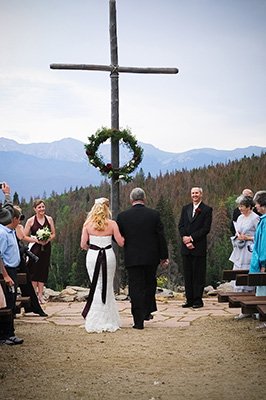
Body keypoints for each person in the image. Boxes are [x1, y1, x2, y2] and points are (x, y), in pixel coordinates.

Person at [117, 188, 169, 330]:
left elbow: (118, 238)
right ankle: (147, 312)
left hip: (132, 257)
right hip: (150, 257)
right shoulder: (154, 215)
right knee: (150, 284)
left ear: (131, 200)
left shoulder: (123, 216)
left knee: (135, 287)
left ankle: (138, 321)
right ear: (144, 199)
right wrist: (164, 256)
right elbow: (161, 237)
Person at [80, 197, 124, 333]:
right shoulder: (112, 224)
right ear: (107, 209)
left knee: (96, 285)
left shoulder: (87, 225)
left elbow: (83, 245)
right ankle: (108, 318)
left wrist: (92, 249)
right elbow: (121, 243)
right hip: (108, 255)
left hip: (93, 256)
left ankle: (95, 318)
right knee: (107, 285)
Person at [178, 186, 212, 309]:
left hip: (198, 247)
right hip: (186, 247)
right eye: (192, 193)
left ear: (201, 194)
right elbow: (181, 225)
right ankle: (189, 299)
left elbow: (205, 229)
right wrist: (186, 240)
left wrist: (192, 238)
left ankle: (198, 300)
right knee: (187, 274)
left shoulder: (207, 210)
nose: (194, 195)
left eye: (196, 193)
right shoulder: (185, 208)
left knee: (198, 274)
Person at [24, 199, 55, 304]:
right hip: (35, 248)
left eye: (43, 206)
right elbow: (24, 236)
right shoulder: (30, 221)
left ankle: (41, 296)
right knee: (33, 272)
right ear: (35, 209)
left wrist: (47, 239)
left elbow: (53, 234)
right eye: (39, 207)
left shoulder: (49, 219)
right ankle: (34, 297)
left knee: (43, 271)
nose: (42, 209)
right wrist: (36, 240)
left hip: (46, 248)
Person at [229, 195, 260, 302]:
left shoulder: (255, 218)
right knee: (238, 276)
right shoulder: (240, 217)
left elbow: (260, 236)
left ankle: (250, 303)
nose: (240, 208)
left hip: (249, 252)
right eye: (239, 206)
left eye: (242, 206)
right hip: (240, 250)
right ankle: (240, 303)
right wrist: (239, 236)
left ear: (248, 207)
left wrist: (248, 237)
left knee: (248, 277)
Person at [0, 206, 23, 345]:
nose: (19, 222)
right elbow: (0, 256)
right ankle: (5, 334)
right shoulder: (3, 234)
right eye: (19, 219)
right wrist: (6, 275)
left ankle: (10, 332)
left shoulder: (10, 232)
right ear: (14, 219)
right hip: (7, 270)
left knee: (12, 301)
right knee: (8, 302)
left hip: (13, 269)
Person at [249, 191, 266, 298]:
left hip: (263, 264)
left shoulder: (264, 222)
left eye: (257, 203)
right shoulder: (262, 220)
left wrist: (263, 264)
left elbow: (264, 244)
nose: (255, 206)